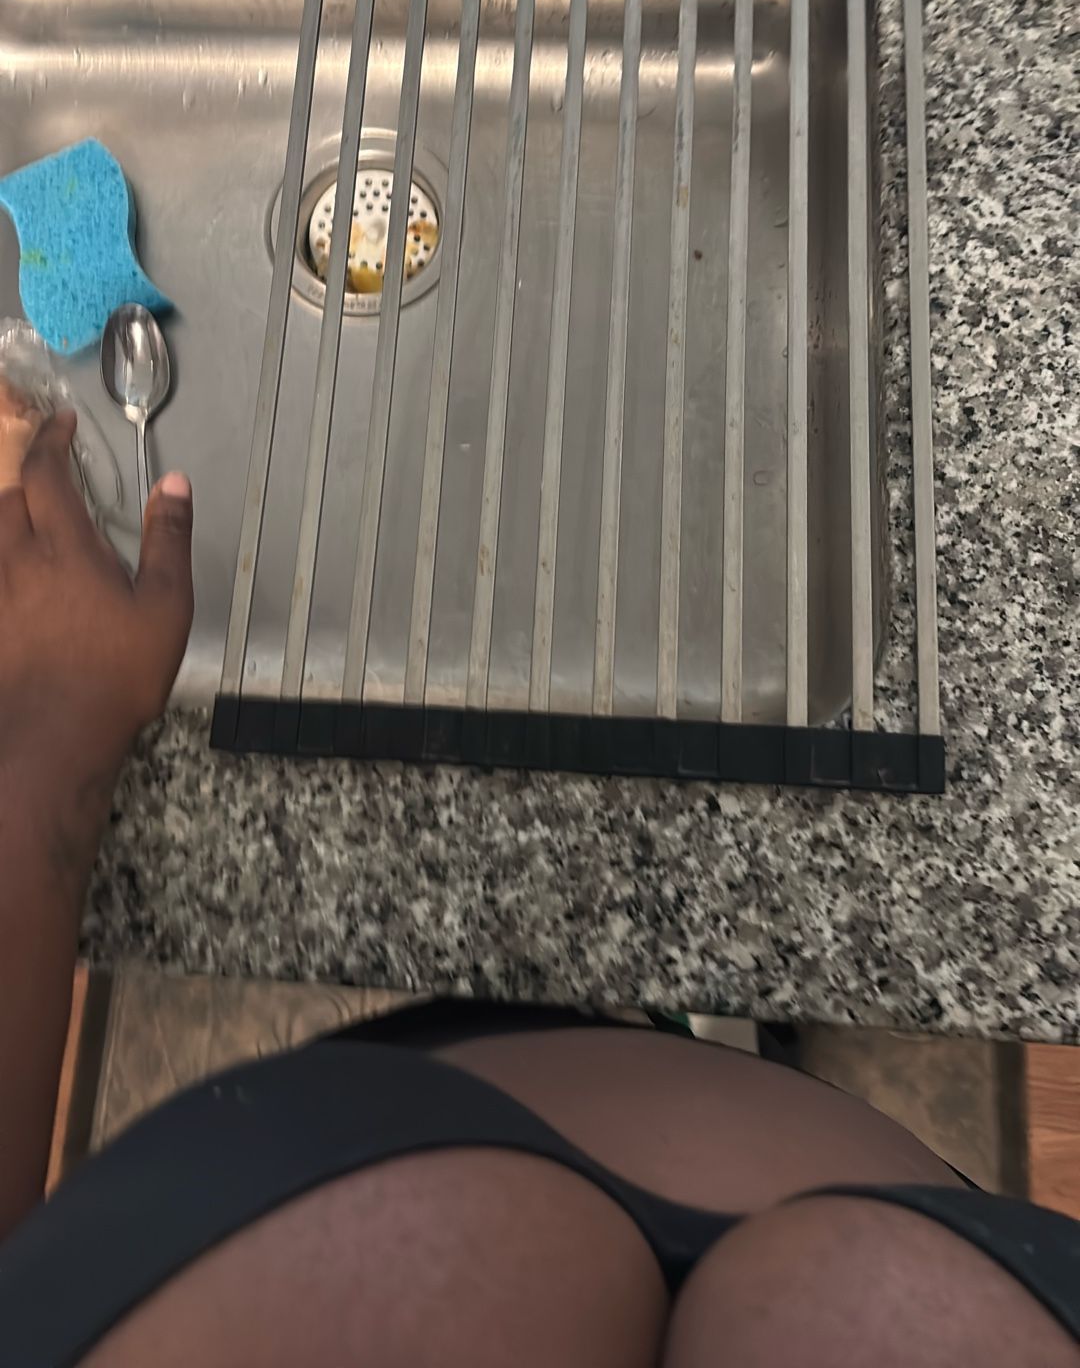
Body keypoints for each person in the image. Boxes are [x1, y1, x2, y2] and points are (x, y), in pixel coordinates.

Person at [1, 407, 1079, 1366]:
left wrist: (55, 735)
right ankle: (644, 1031)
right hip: (752, 1153)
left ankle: (629, 1029)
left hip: (443, 1100)